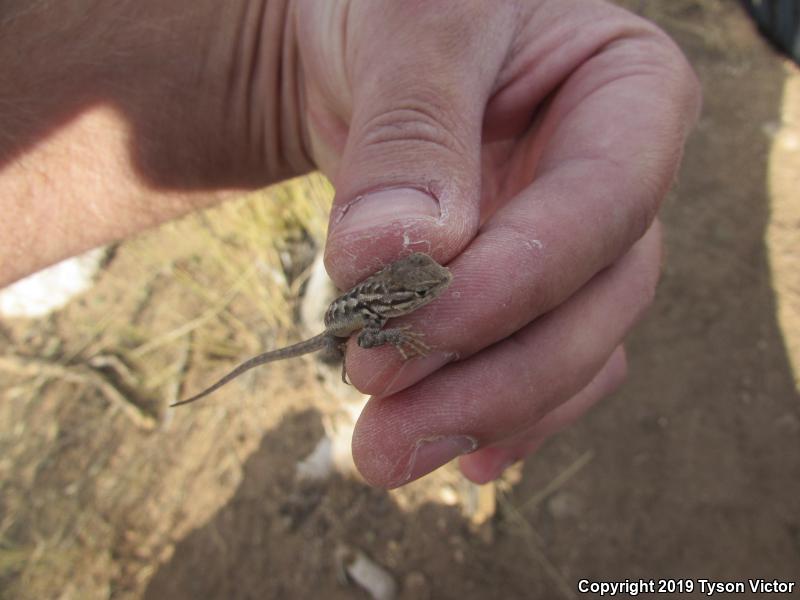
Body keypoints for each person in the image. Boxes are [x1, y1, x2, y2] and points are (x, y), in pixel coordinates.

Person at [0, 0, 700, 487]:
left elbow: (406, 284)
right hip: (350, 320)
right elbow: (384, 324)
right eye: (423, 289)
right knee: (384, 348)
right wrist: (401, 333)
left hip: (356, 299)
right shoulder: (388, 309)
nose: (435, 288)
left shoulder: (401, 281)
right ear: (406, 291)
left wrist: (292, 48)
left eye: (426, 285)